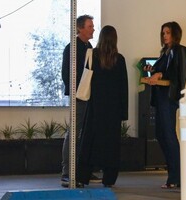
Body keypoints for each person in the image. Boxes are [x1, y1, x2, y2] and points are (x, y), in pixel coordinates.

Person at [76, 25, 129, 188]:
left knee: (90, 141)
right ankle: (109, 179)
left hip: (95, 107)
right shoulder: (119, 59)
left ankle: (83, 176)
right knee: (111, 144)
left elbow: (83, 76)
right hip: (113, 110)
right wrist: (123, 113)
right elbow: (123, 88)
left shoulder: (93, 55)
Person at [144, 21, 186, 188]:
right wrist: (153, 71)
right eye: (163, 33)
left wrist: (160, 73)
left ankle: (176, 177)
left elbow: (178, 74)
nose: (165, 36)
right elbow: (163, 72)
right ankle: (174, 174)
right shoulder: (165, 52)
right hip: (160, 97)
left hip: (169, 98)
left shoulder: (179, 50)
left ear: (175, 34)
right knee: (161, 134)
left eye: (168, 32)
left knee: (168, 136)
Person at [61, 14, 101, 187]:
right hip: (79, 96)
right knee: (74, 132)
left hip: (89, 96)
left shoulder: (89, 46)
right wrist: (78, 91)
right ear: (80, 28)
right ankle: (67, 172)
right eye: (90, 26)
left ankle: (82, 169)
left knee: (85, 133)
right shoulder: (72, 48)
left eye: (92, 26)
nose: (93, 29)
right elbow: (66, 74)